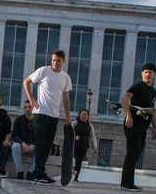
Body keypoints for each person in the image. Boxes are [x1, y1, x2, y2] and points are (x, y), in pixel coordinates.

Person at [24, 49, 72, 184]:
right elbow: (26, 81)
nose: (54, 63)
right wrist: (32, 99)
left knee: (48, 146)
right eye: (53, 60)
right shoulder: (43, 71)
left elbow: (66, 99)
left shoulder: (65, 77)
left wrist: (68, 117)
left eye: (57, 61)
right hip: (41, 114)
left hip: (54, 116)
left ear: (63, 61)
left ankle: (35, 173)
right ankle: (40, 173)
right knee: (41, 144)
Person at [120, 63, 156, 192]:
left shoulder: (153, 91)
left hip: (143, 126)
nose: (148, 75)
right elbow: (124, 98)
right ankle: (126, 183)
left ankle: (129, 182)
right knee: (132, 152)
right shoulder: (137, 86)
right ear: (142, 73)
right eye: (146, 72)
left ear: (154, 74)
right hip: (133, 124)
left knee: (137, 153)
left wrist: (155, 127)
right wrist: (128, 115)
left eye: (150, 72)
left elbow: (152, 110)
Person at [11, 100, 36, 180]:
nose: (28, 109)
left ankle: (30, 172)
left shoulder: (39, 121)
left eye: (30, 107)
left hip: (33, 147)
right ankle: (20, 173)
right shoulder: (19, 119)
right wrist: (22, 143)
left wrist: (34, 145)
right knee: (15, 146)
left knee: (43, 149)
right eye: (25, 107)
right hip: (22, 146)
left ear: (33, 108)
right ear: (23, 109)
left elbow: (41, 137)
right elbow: (14, 135)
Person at [71, 109, 98, 182]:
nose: (84, 116)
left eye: (85, 115)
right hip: (75, 146)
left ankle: (76, 177)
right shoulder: (74, 123)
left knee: (79, 162)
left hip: (84, 147)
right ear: (79, 115)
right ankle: (71, 174)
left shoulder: (90, 125)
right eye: (82, 114)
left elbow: (93, 136)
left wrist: (95, 147)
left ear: (88, 117)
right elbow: (69, 133)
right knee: (75, 161)